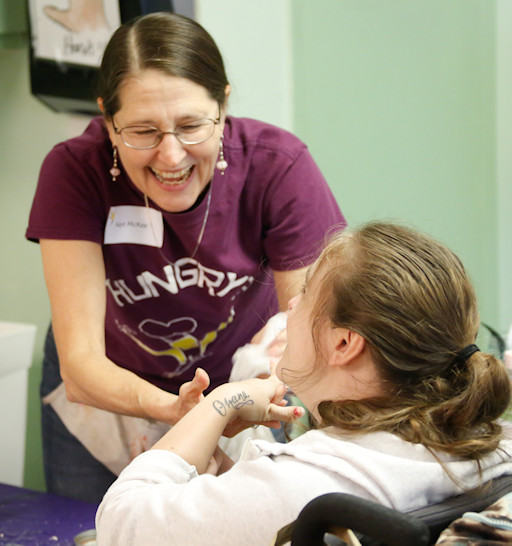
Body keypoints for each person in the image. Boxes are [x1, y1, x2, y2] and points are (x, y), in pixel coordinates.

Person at [25, 11, 344, 504]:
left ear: (224, 105)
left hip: (235, 386)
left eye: (192, 125)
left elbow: (305, 327)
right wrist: (179, 411)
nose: (171, 157)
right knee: (87, 528)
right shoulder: (73, 171)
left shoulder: (279, 167)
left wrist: (234, 399)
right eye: (142, 131)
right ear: (109, 121)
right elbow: (80, 363)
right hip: (106, 387)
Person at [95, 221, 512, 546]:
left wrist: (218, 403)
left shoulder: (310, 488)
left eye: (309, 291)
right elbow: (248, 517)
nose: (291, 303)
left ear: (344, 342)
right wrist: (220, 458)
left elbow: (121, 523)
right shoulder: (485, 447)